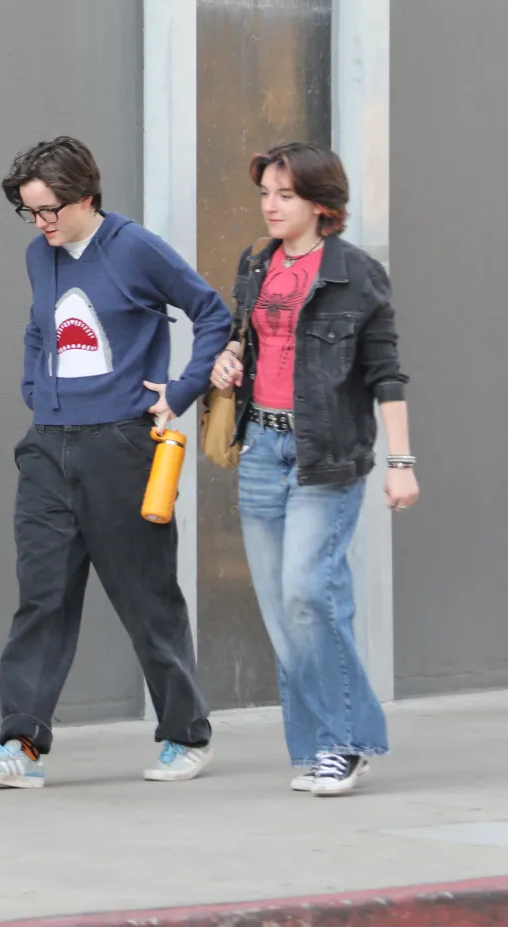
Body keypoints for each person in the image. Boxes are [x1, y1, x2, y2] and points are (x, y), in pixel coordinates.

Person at [0, 136, 232, 789]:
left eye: (49, 210)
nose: (41, 224)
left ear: (85, 196)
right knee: (41, 597)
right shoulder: (38, 255)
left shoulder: (134, 247)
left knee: (145, 596)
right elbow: (39, 326)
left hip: (121, 443)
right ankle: (19, 744)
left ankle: (185, 734)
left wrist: (182, 389)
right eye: (30, 213)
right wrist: (34, 386)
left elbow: (210, 311)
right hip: (48, 446)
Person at [210, 142, 419, 796]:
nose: (270, 206)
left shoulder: (356, 274)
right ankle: (316, 746)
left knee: (308, 593)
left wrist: (400, 462)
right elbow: (249, 339)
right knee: (282, 610)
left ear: (321, 205)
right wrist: (227, 361)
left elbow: (385, 372)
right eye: (265, 194)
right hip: (261, 450)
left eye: (284, 195)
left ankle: (346, 742)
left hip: (323, 456)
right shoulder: (256, 263)